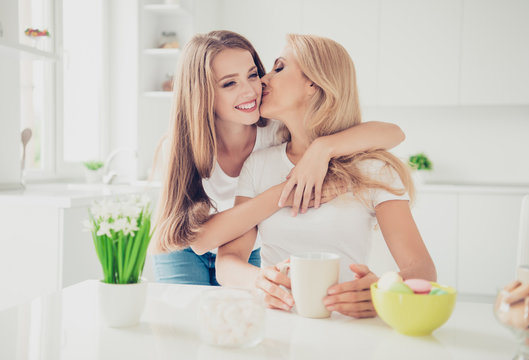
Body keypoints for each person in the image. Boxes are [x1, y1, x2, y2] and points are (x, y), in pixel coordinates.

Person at [150, 30, 406, 286]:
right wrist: (284, 193)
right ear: (202, 94)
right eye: (229, 83)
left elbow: (394, 133)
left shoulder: (274, 131)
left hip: (244, 243)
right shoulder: (179, 146)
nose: (252, 89)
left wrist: (323, 148)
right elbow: (198, 240)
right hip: (183, 246)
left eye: (252, 75)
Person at [215, 34, 436, 318]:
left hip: (346, 326)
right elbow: (227, 262)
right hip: (276, 326)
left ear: (313, 82)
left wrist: (383, 292)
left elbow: (422, 271)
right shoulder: (258, 165)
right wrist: (257, 280)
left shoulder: (373, 167)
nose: (264, 80)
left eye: (279, 67)